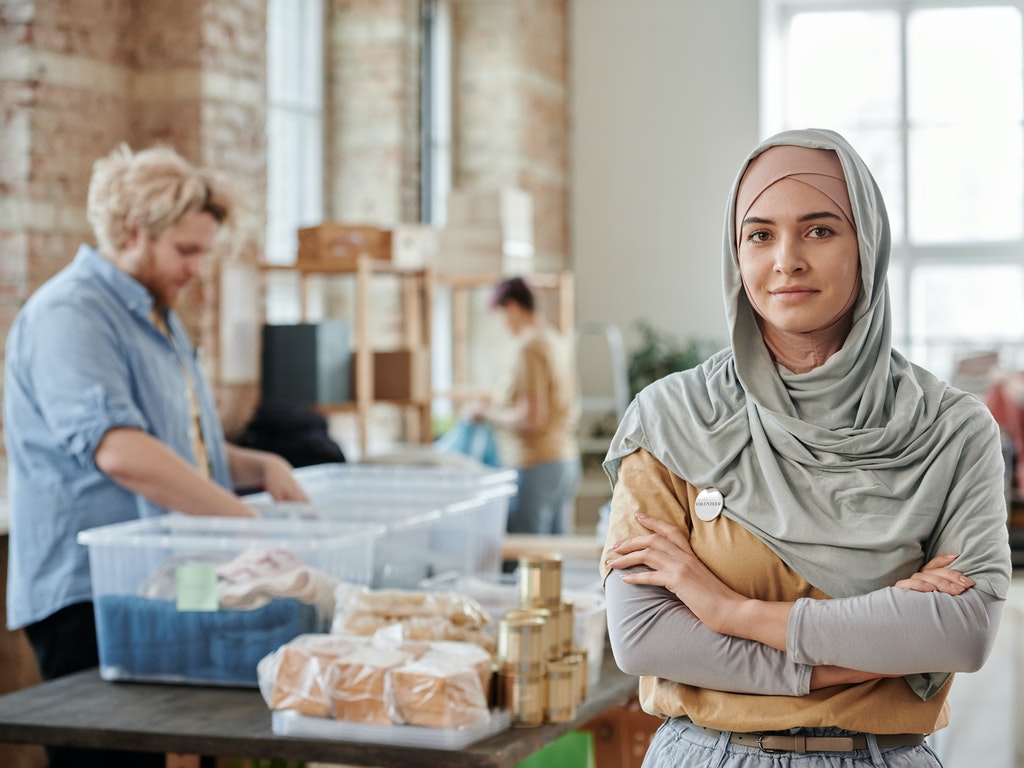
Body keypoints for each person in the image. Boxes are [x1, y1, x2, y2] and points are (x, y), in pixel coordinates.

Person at [601, 128, 1012, 767]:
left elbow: (961, 633)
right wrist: (831, 667)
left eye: (819, 231)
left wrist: (727, 609)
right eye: (759, 234)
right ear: (735, 253)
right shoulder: (671, 419)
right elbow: (645, 635)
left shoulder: (953, 430)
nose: (786, 260)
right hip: (706, 754)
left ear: (866, 246)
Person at [3, 143, 308, 768]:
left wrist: (260, 467)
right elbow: (120, 451)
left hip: (164, 580)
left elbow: (177, 443)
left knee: (196, 744)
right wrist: (243, 521)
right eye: (186, 251)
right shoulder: (73, 314)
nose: (198, 269)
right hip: (90, 592)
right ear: (134, 232)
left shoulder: (157, 318)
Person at [467, 276, 581, 534]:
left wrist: (487, 413)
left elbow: (531, 417)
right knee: (552, 559)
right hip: (563, 461)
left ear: (513, 307)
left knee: (527, 559)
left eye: (501, 314)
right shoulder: (553, 340)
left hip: (535, 464)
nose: (502, 322)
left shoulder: (528, 348)